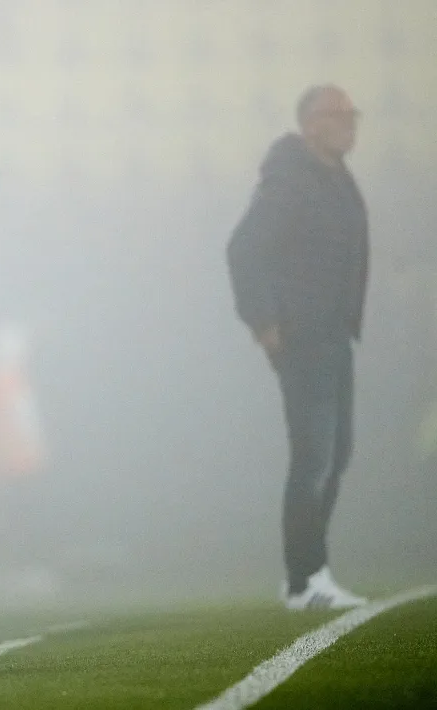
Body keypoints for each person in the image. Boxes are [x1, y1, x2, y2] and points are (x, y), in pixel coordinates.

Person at [227, 85, 369, 610]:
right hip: (306, 337)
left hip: (332, 334)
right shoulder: (290, 178)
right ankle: (304, 579)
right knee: (314, 457)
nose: (351, 123)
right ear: (311, 123)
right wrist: (264, 321)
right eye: (339, 115)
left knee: (336, 454)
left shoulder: (332, 175)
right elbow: (243, 249)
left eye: (354, 115)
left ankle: (313, 572)